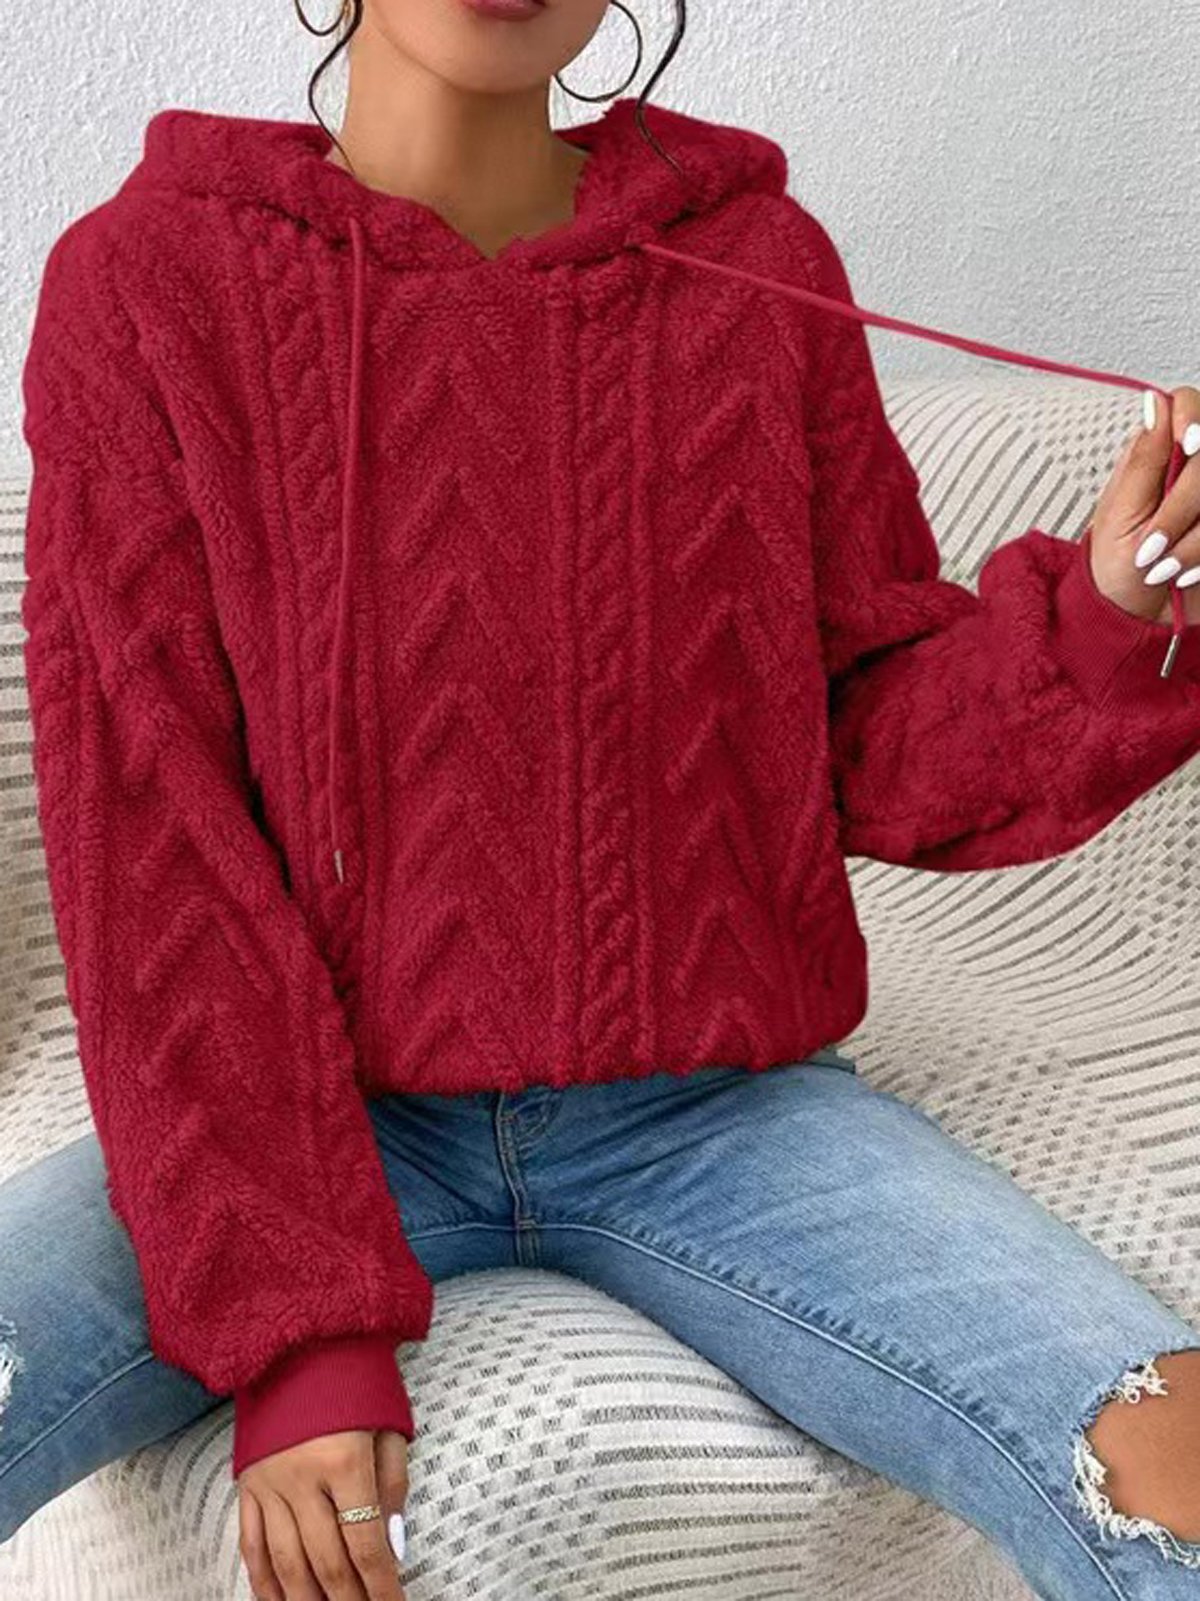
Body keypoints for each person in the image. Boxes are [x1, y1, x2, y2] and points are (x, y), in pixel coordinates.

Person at [4, 1, 1200, 1597]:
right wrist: (298, 1327)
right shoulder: (147, 284)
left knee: (1176, 1470)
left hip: (719, 1111)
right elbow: (153, 837)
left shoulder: (756, 263)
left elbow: (868, 732)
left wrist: (1113, 611)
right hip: (314, 1114)